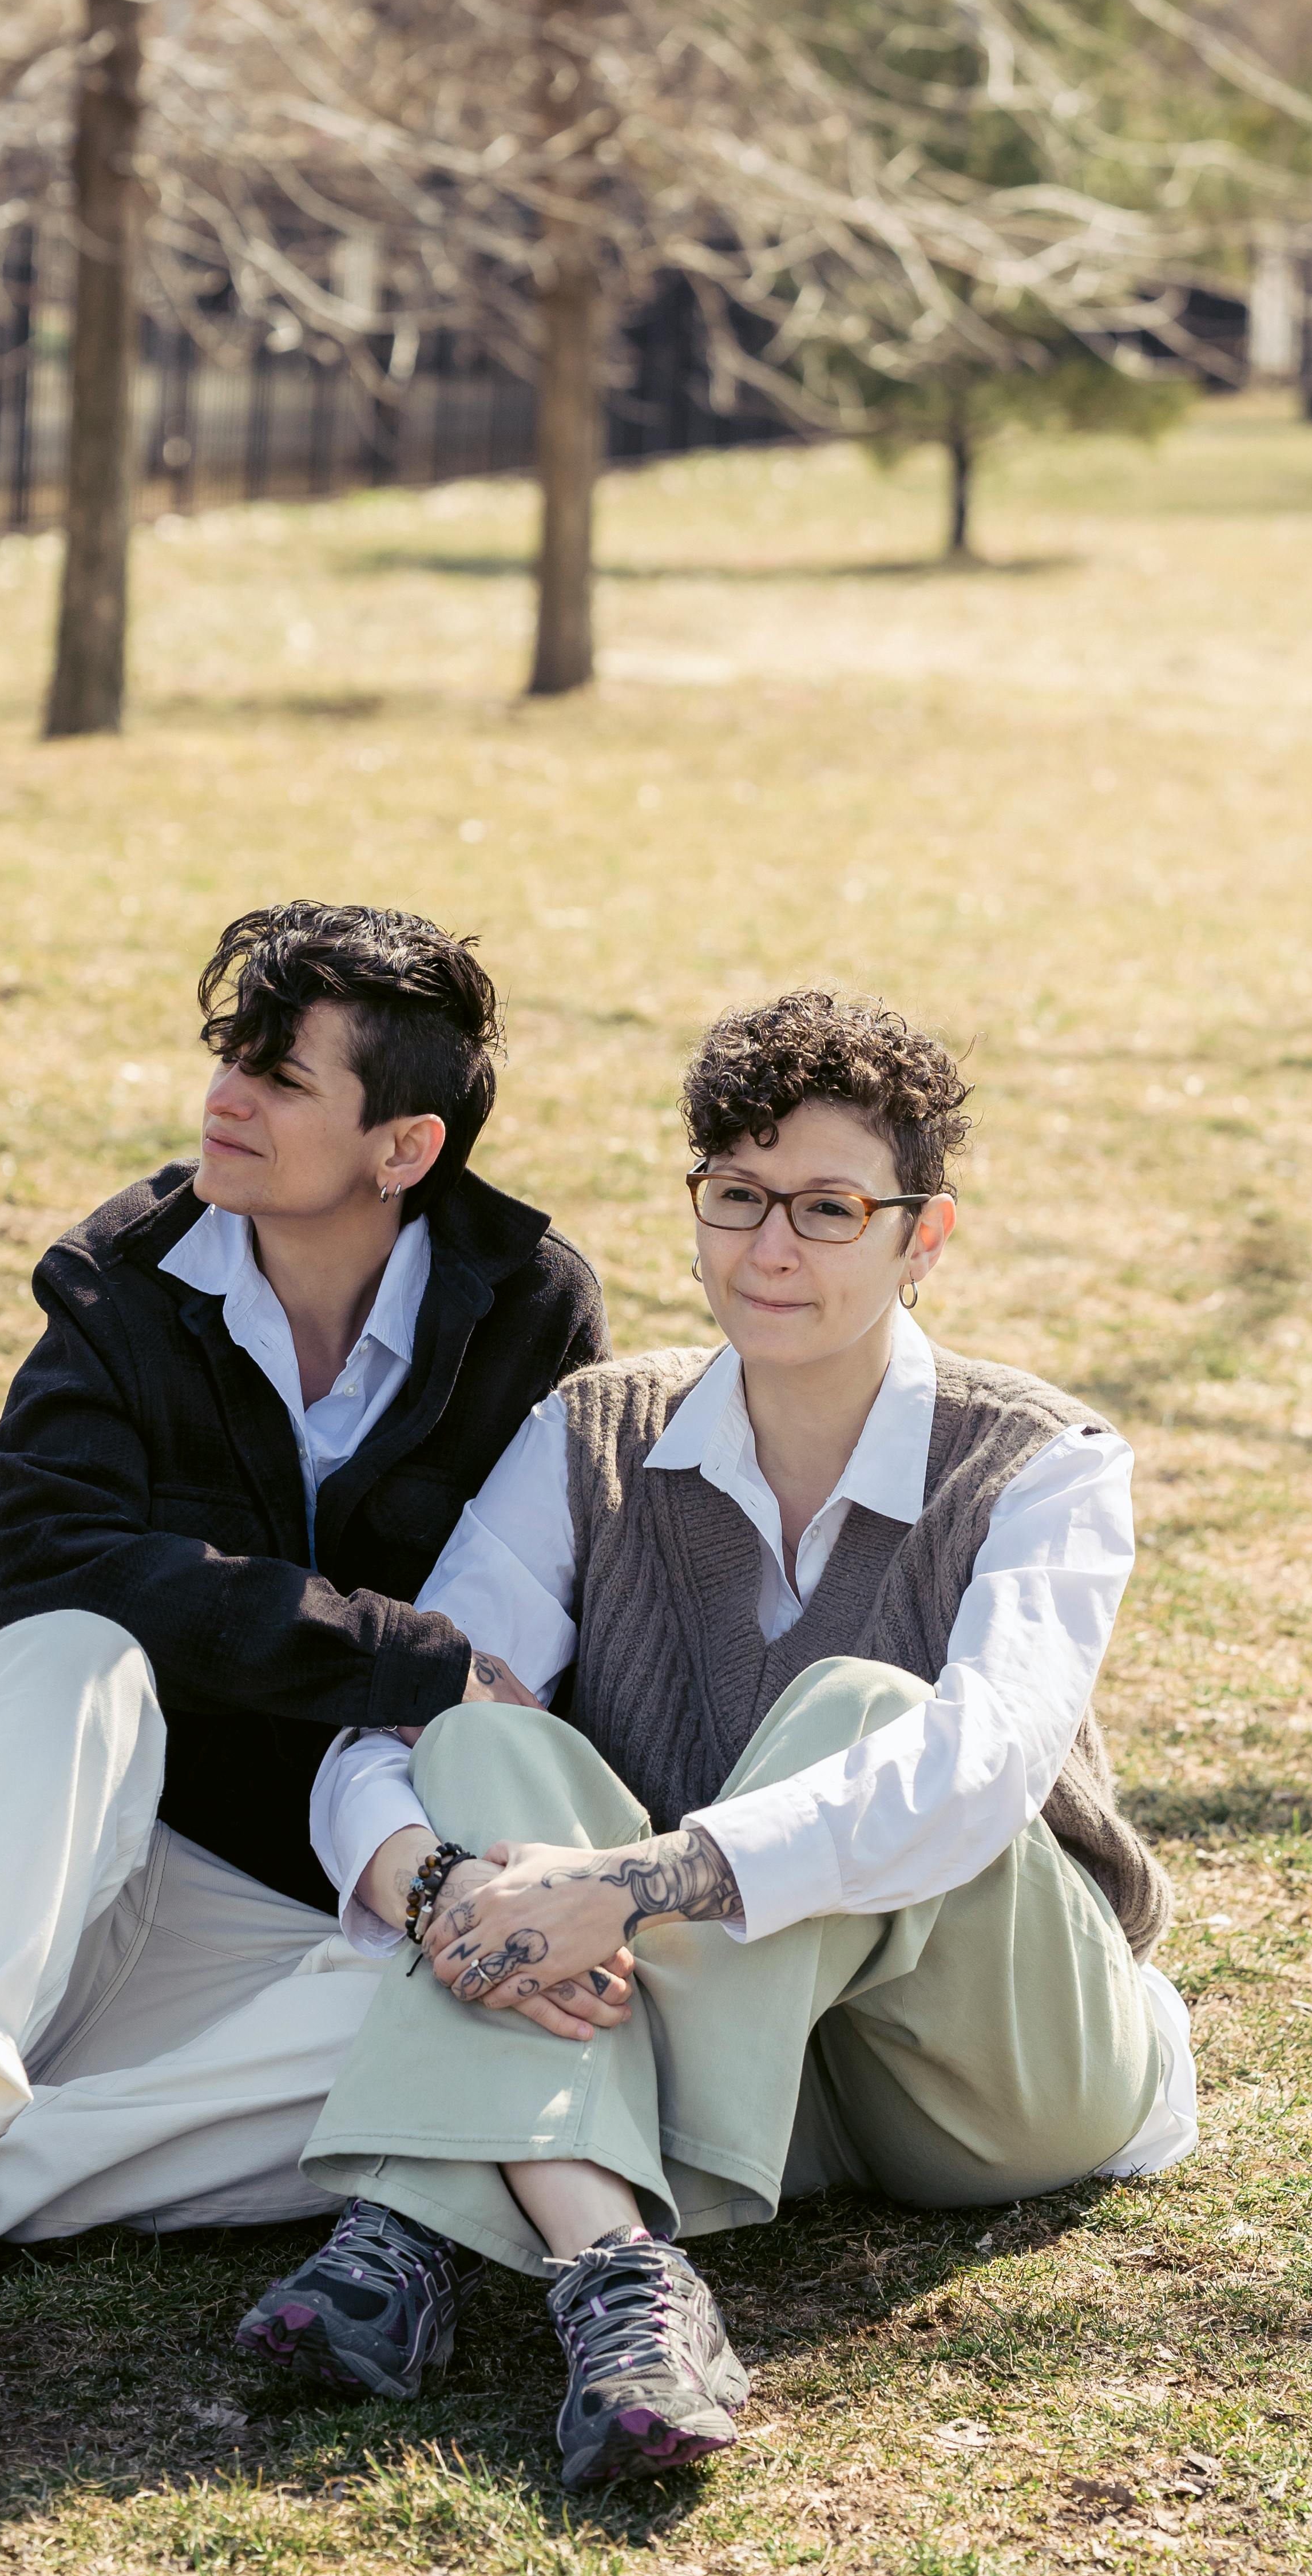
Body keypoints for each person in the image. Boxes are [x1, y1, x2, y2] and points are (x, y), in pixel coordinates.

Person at [240, 988, 1195, 2487]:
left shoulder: (1044, 1463)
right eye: (738, 1199)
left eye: (829, 1209)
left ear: (922, 1237)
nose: (770, 1251)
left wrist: (628, 1885)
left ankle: (412, 2222)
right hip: (764, 2078)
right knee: (475, 1742)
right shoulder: (594, 1433)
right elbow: (389, 1729)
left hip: (1004, 2076)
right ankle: (622, 2281)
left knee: (869, 1716)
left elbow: (975, 1776)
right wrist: (438, 1886)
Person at [0, 904, 607, 2464]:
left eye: (282, 1075)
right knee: (78, 1652)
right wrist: (408, 1659)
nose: (226, 1097)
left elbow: (553, 1616)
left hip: (234, 1921)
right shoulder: (123, 1273)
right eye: (228, 1054)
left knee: (473, 2031)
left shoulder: (527, 1302)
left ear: (404, 1147)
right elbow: (51, 1563)